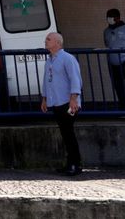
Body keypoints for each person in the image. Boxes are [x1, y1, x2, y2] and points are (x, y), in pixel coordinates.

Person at [41, 32, 82, 177]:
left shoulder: (67, 59)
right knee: (65, 133)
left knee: (68, 132)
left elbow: (75, 79)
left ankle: (75, 164)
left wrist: (73, 98)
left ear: (58, 42)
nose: (46, 41)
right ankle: (70, 163)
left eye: (49, 39)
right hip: (56, 102)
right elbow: (47, 81)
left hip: (68, 103)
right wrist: (45, 99)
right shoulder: (49, 60)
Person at [102, 8, 125, 111]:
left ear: (118, 18)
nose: (109, 19)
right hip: (113, 63)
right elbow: (107, 44)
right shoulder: (106, 31)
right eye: (108, 17)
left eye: (111, 17)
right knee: (119, 87)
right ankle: (124, 109)